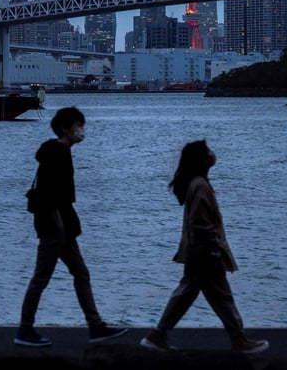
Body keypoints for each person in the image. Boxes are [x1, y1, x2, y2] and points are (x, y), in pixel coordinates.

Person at [140, 139, 269, 354]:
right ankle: (239, 340)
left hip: (198, 250)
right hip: (204, 251)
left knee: (190, 293)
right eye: (208, 150)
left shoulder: (197, 183)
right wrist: (214, 247)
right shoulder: (199, 185)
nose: (212, 153)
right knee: (219, 295)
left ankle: (158, 334)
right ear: (202, 159)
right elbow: (199, 223)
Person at [14, 106, 127, 348]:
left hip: (62, 226)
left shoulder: (55, 152)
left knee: (80, 273)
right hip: (55, 226)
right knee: (42, 277)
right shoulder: (58, 153)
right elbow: (50, 192)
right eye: (78, 125)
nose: (81, 130)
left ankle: (95, 325)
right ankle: (24, 330)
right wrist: (58, 225)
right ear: (66, 128)